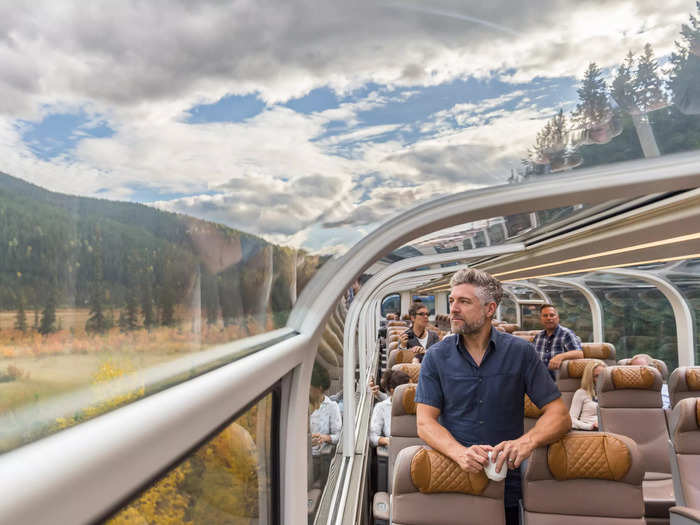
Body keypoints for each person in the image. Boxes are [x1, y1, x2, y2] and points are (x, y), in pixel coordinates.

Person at [415, 268, 570, 525]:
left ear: (490, 309)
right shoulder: (436, 356)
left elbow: (560, 415)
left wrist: (526, 442)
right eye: (452, 300)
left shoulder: (520, 352)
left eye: (464, 301)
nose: (453, 308)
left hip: (506, 479)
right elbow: (424, 422)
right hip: (453, 475)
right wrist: (460, 453)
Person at [309, 363, 342, 483]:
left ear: (319, 388)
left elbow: (338, 436)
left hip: (318, 459)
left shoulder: (331, 407)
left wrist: (324, 438)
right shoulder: (298, 404)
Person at [532, 304, 583, 379]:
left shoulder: (566, 334)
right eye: (545, 316)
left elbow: (579, 354)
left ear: (558, 318)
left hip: (559, 381)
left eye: (552, 315)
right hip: (539, 378)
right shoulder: (538, 337)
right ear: (541, 319)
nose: (549, 318)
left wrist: (560, 357)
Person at [369, 369, 411, 447]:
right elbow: (372, 437)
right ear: (393, 391)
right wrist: (387, 441)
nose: (413, 392)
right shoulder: (382, 407)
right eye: (408, 389)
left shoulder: (419, 405)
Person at [569, 360, 605, 430]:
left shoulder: (611, 394)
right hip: (588, 430)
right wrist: (590, 426)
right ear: (590, 378)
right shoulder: (581, 393)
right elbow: (571, 419)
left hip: (607, 430)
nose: (601, 379)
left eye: (602, 375)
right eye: (596, 376)